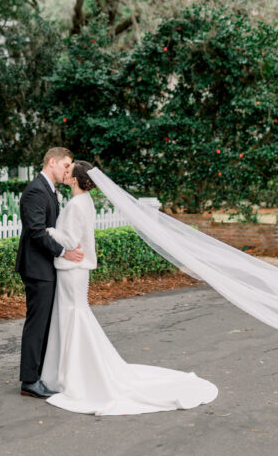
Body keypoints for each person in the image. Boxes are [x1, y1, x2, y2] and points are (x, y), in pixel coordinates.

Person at [40, 160, 219, 415]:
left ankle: (74, 376)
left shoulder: (75, 205)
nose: (65, 174)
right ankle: (74, 371)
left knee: (73, 317)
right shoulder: (86, 202)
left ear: (77, 180)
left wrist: (48, 231)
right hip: (78, 272)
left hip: (72, 270)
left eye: (69, 172)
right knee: (76, 316)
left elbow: (69, 240)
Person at [15, 148, 83, 398]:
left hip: (46, 267)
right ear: (51, 162)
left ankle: (40, 373)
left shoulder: (51, 190)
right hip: (37, 268)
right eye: (65, 165)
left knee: (45, 323)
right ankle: (29, 381)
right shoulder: (35, 190)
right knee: (37, 323)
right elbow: (36, 231)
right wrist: (64, 252)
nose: (67, 170)